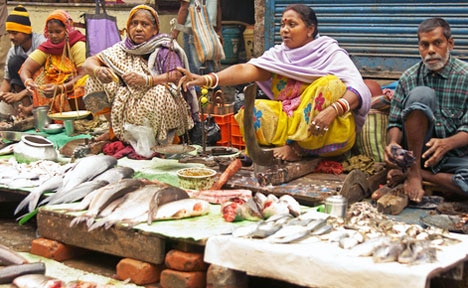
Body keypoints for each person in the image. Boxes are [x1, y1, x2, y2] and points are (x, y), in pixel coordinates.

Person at [179, 4, 371, 161]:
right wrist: (207, 79)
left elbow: (359, 88)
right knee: (252, 109)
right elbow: (246, 70)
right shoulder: (279, 54)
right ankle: (282, 146)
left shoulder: (329, 52)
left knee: (329, 84)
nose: (284, 30)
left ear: (310, 29)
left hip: (327, 128)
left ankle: (297, 149)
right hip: (291, 125)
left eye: (292, 25)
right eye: (282, 25)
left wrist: (333, 110)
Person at [82, 4, 194, 146]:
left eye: (144, 24)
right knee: (94, 78)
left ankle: (166, 140)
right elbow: (88, 63)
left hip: (154, 101)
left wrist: (148, 80)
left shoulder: (163, 47)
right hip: (127, 101)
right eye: (134, 24)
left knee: (161, 91)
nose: (138, 28)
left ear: (154, 30)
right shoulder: (122, 48)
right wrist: (98, 70)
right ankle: (113, 130)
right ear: (128, 28)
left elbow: (178, 74)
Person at [385, 17, 468, 202]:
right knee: (421, 94)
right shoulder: (409, 77)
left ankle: (419, 175)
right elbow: (395, 122)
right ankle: (414, 172)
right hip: (415, 155)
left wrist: (447, 143)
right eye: (424, 45)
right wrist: (392, 144)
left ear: (450, 43)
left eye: (437, 43)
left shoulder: (465, 77)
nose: (430, 50)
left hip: (453, 158)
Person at [19, 9, 88, 116]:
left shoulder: (78, 45)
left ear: (67, 30)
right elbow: (26, 68)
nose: (54, 36)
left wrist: (62, 88)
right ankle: (45, 114)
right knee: (38, 74)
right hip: (54, 86)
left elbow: (84, 74)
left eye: (58, 32)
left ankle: (79, 117)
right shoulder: (48, 46)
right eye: (50, 32)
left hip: (73, 85)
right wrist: (28, 82)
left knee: (82, 84)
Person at [0, 5, 46, 118]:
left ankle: (30, 111)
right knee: (14, 62)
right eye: (9, 33)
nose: (11, 37)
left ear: (26, 32)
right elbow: (7, 80)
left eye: (14, 33)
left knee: (16, 62)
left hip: (44, 85)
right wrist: (2, 94)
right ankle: (25, 109)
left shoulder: (41, 44)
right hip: (26, 90)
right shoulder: (13, 50)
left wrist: (20, 95)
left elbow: (46, 76)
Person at [172, 0, 222, 74]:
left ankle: (197, 85)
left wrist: (175, 33)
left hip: (193, 33)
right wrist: (218, 31)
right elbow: (218, 7)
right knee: (211, 71)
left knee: (194, 71)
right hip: (211, 33)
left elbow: (184, 8)